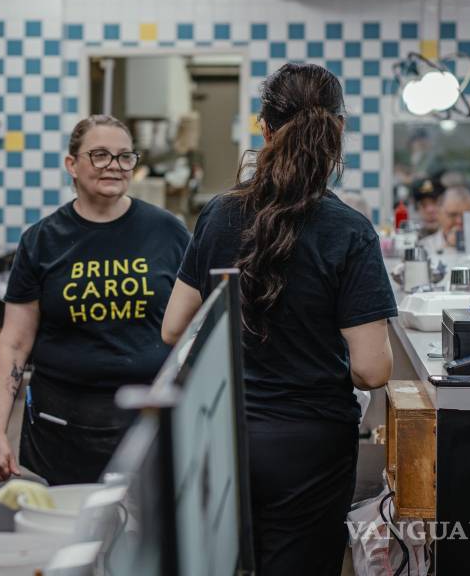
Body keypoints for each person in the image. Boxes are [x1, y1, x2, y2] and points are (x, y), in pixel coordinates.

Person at [161, 63, 395, 576]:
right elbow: (372, 371)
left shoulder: (220, 214)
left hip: (224, 432)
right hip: (311, 445)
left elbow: (173, 328)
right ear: (337, 130)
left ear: (264, 129)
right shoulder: (351, 231)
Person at [0, 115, 191, 486]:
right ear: (71, 165)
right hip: (63, 425)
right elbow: (14, 343)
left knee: (148, 536)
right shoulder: (42, 241)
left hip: (149, 419)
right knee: (69, 531)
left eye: (124, 156)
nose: (114, 166)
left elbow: (197, 326)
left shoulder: (168, 232)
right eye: (99, 155)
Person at [419, 186, 470, 253]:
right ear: (439, 214)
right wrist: (448, 247)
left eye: (466, 216)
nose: (459, 221)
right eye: (452, 215)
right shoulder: (424, 247)